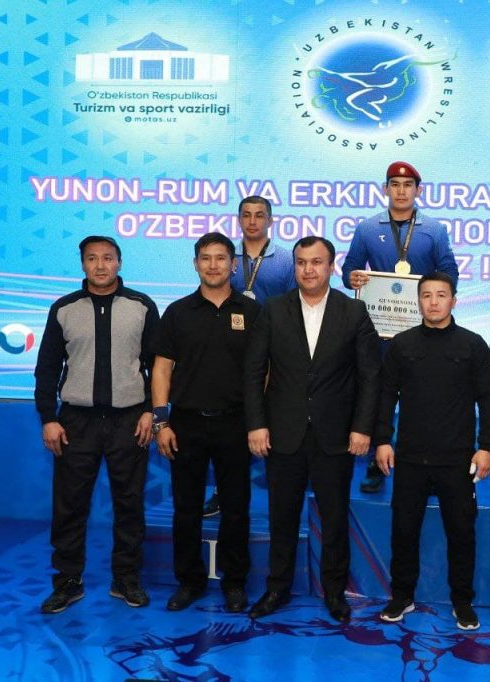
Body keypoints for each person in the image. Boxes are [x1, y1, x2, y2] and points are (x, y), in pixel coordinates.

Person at [245, 236, 381, 623]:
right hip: (282, 433)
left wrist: (362, 428)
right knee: (282, 517)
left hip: (335, 436)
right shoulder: (273, 310)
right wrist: (256, 424)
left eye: (317, 262)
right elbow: (253, 371)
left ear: (331, 267)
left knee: (334, 519)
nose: (308, 269)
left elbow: (370, 376)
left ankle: (334, 592)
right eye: (301, 262)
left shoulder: (353, 311)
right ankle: (277, 588)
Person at [34, 235, 159, 614]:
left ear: (119, 262)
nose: (100, 265)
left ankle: (126, 579)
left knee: (129, 503)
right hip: (76, 422)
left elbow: (158, 367)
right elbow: (47, 369)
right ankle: (67, 582)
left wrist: (152, 411)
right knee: (69, 506)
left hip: (130, 419)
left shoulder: (142, 306)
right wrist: (49, 419)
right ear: (83, 264)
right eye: (92, 258)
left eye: (107, 258)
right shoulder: (64, 309)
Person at [374, 271, 490, 630]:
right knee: (403, 531)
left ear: (454, 301)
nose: (433, 302)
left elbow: (489, 399)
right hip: (410, 458)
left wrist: (486, 447)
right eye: (426, 295)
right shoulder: (402, 345)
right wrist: (382, 439)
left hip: (457, 460)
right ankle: (402, 596)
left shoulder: (473, 345)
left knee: (461, 533)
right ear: (418, 301)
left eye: (441, 295)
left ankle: (463, 602)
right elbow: (386, 395)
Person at [150, 233, 260, 613]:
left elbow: (263, 371)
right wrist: (161, 422)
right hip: (186, 425)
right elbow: (161, 369)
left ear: (234, 264)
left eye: (221, 258)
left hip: (236, 424)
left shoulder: (252, 312)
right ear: (195, 264)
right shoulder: (177, 312)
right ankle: (189, 581)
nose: (213, 265)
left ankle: (235, 583)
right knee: (186, 508)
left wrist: (258, 419)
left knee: (236, 508)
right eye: (206, 258)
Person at [343, 161, 459, 493]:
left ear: (418, 191)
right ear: (385, 189)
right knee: (377, 394)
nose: (401, 191)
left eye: (408, 185)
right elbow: (350, 268)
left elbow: (449, 271)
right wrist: (352, 277)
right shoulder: (367, 228)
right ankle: (374, 463)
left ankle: (427, 465)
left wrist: (434, 294)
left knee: (423, 397)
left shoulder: (434, 229)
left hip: (421, 330)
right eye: (395, 184)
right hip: (377, 330)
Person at [203, 195, 296, 518]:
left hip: (274, 350)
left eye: (259, 215)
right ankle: (220, 491)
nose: (252, 221)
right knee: (230, 425)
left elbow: (293, 306)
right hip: (231, 350)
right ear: (239, 219)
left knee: (273, 421)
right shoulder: (226, 256)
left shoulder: (286, 260)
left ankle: (281, 495)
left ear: (270, 220)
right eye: (246, 215)